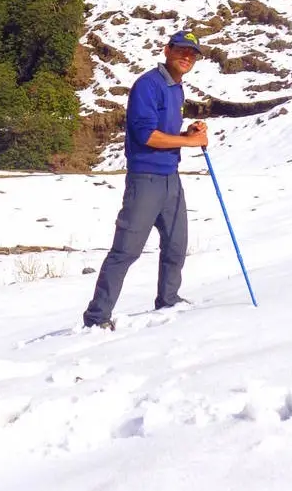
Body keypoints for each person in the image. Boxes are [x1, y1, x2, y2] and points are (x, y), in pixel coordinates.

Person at [82, 30, 208, 330]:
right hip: (145, 179)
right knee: (126, 250)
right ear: (167, 50)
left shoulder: (176, 88)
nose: (187, 57)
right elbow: (146, 135)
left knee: (176, 245)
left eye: (192, 54)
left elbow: (164, 132)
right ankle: (97, 318)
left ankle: (168, 300)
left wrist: (186, 134)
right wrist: (190, 143)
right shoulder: (148, 85)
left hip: (170, 178)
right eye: (181, 50)